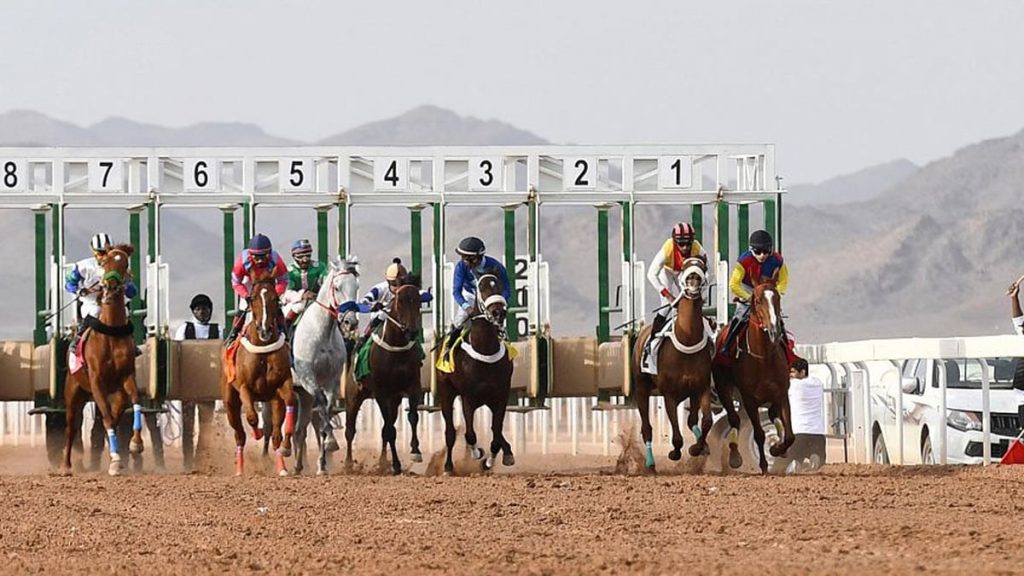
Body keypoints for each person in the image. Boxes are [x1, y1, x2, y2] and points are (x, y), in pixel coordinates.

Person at [643, 222, 708, 364]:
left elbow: (706, 272)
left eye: (688, 244)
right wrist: (667, 294)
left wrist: (701, 292)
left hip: (685, 273)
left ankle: (709, 339)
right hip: (667, 272)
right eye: (681, 244)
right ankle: (652, 341)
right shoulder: (667, 248)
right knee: (667, 306)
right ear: (674, 241)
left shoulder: (698, 248)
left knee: (693, 302)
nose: (685, 248)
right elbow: (651, 274)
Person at [718, 229, 789, 358]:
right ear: (751, 250)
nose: (762, 255)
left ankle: (788, 350)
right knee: (740, 316)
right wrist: (750, 298)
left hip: (768, 290)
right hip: (748, 289)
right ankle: (727, 345)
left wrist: (776, 293)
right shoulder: (743, 261)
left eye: (766, 252)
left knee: (777, 317)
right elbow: (734, 284)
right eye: (757, 252)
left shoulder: (778, 260)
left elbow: (784, 280)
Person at [64, 232, 139, 348]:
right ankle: (79, 339)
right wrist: (79, 291)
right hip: (92, 303)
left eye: (107, 252)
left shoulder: (119, 267)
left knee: (124, 313)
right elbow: (69, 283)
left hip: (114, 303)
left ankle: (131, 342)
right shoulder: (83, 267)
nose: (104, 256)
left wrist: (126, 284)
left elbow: (133, 292)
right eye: (101, 253)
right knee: (94, 312)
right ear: (94, 252)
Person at [172, 294, 219, 472]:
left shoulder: (218, 330)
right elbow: (177, 353)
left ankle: (202, 460)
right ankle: (187, 461)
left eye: (205, 309)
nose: (202, 313)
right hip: (189, 384)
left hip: (209, 384)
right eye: (198, 309)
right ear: (193, 311)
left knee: (206, 425)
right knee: (188, 425)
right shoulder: (184, 328)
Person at [440, 236, 511, 352]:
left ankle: (507, 347)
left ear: (479, 257)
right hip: (471, 297)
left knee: (499, 321)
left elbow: (507, 288)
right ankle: (447, 350)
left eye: (470, 259)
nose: (466, 262)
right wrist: (467, 307)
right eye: (463, 258)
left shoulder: (496, 266)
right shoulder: (461, 267)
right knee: (459, 320)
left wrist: (501, 302)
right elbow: (456, 291)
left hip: (490, 299)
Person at [226, 233, 289, 344]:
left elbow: (283, 280)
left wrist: (276, 295)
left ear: (269, 254)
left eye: (263, 257)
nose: (260, 261)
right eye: (256, 257)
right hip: (250, 281)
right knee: (243, 307)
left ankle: (284, 333)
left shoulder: (277, 260)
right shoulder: (242, 262)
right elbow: (236, 282)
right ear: (250, 255)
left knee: (276, 306)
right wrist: (246, 295)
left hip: (269, 283)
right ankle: (233, 335)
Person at [353, 258, 410, 353]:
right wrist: (373, 306)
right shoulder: (380, 289)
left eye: (401, 283)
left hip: (402, 321)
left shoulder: (409, 289)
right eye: (394, 283)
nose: (398, 287)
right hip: (382, 318)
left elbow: (427, 295)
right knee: (380, 316)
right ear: (388, 282)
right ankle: (365, 339)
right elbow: (365, 300)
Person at [782, 357, 827, 471]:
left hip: (799, 433)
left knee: (783, 464)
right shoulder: (818, 383)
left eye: (792, 372)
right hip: (818, 434)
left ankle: (796, 462)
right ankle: (815, 455)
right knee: (819, 458)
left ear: (802, 372)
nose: (790, 375)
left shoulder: (792, 386)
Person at [282, 239, 329, 326]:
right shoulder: (290, 271)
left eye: (307, 256)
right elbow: (287, 292)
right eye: (300, 257)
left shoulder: (320, 267)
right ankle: (287, 332)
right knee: (299, 307)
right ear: (294, 256)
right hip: (296, 301)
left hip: (317, 299)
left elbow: (326, 284)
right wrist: (302, 295)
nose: (305, 260)